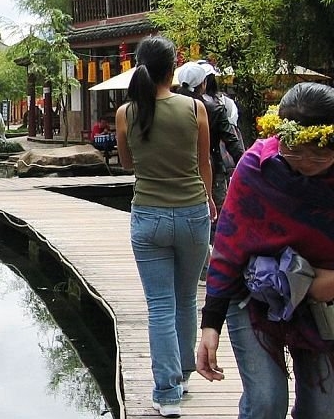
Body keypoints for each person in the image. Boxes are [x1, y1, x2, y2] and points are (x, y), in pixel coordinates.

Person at [197, 82, 334, 419]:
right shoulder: (257, 169)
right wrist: (210, 324)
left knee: (323, 409)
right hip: (253, 294)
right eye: (294, 150)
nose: (305, 161)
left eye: (318, 153)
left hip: (322, 304)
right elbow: (228, 247)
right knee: (266, 402)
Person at [115, 37, 214, 418]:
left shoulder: (126, 113)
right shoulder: (195, 108)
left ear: (139, 66)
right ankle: (184, 376)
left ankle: (167, 393)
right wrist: (209, 197)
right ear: (173, 68)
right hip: (192, 213)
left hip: (149, 216)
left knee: (160, 306)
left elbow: (128, 164)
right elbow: (204, 163)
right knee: (187, 298)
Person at [175, 61, 244, 218]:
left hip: (177, 170)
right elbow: (231, 141)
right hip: (212, 168)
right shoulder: (214, 109)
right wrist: (247, 164)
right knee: (216, 215)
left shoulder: (167, 107)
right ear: (203, 83)